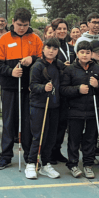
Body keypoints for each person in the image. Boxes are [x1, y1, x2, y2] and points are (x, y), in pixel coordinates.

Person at [0, 8, 44, 170]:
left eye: (25, 25)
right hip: (9, 87)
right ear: (13, 22)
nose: (22, 28)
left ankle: (30, 155)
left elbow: (43, 60)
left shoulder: (35, 39)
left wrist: (32, 58)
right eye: (19, 24)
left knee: (28, 122)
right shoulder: (4, 39)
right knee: (8, 122)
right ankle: (6, 156)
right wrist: (11, 72)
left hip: (29, 88)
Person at [61, 40, 99, 178]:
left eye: (87, 53)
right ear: (77, 54)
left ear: (91, 54)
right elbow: (63, 89)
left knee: (90, 139)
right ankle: (73, 164)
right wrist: (78, 89)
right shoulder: (70, 69)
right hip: (75, 110)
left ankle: (88, 165)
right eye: (82, 52)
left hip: (92, 110)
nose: (85, 55)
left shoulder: (97, 69)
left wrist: (98, 85)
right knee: (74, 139)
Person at [24, 38, 65, 179]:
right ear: (43, 48)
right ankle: (31, 163)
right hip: (39, 105)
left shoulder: (59, 65)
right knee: (38, 136)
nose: (51, 51)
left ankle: (45, 164)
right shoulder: (37, 66)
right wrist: (43, 87)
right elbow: (32, 85)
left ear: (58, 51)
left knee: (51, 137)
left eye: (54, 48)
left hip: (54, 105)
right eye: (49, 47)